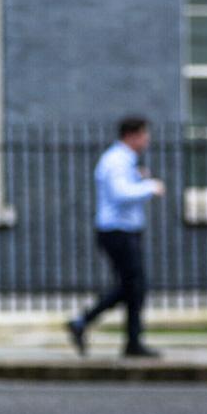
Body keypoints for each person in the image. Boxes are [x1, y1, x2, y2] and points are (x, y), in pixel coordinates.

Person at [68, 116, 166, 358]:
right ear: (131, 135)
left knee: (131, 287)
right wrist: (149, 187)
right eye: (144, 134)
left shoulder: (124, 161)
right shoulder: (115, 160)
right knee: (133, 286)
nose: (147, 140)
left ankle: (92, 326)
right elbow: (120, 193)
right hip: (117, 232)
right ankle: (104, 330)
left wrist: (138, 178)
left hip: (124, 231)